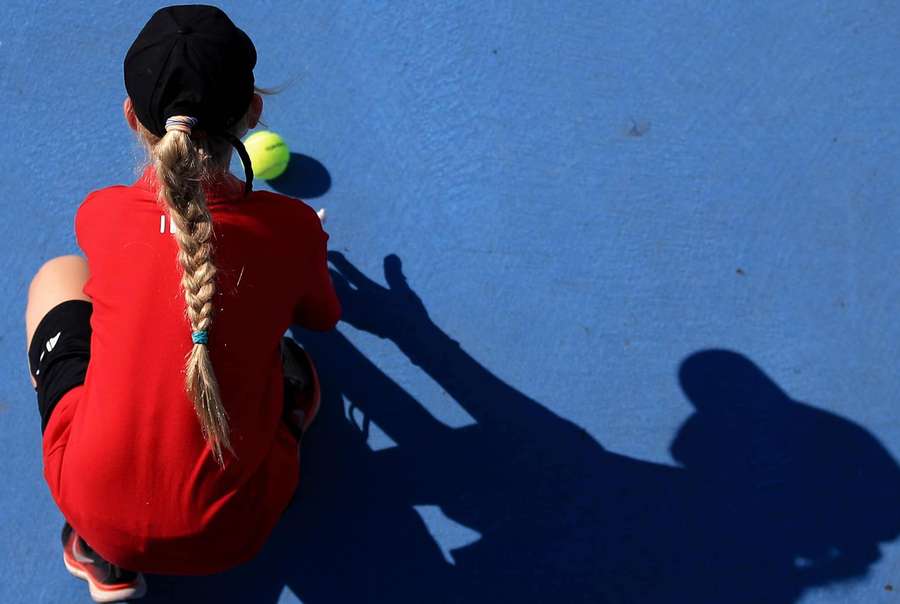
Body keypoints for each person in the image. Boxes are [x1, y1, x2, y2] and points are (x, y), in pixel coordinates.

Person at [23, 5, 341, 602]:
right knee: (294, 368)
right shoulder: (292, 229)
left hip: (96, 514)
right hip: (236, 534)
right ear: (253, 112)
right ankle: (294, 407)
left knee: (57, 277)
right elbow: (321, 318)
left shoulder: (100, 213)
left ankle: (99, 557)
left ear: (132, 118)